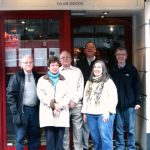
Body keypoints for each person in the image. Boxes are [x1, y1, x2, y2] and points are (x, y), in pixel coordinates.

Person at [37, 56, 71, 150]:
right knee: (50, 142)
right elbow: (41, 96)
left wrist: (60, 106)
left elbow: (68, 95)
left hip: (61, 112)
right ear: (48, 67)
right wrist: (53, 105)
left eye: (56, 65)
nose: (55, 67)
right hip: (48, 114)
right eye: (52, 65)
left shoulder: (65, 80)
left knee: (60, 143)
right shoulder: (42, 80)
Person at [82, 60, 118, 150]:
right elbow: (85, 98)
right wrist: (84, 113)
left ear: (103, 69)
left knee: (106, 139)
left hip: (104, 114)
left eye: (99, 67)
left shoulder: (108, 82)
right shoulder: (89, 82)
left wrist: (108, 112)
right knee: (96, 140)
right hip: (91, 114)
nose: (96, 69)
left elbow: (114, 98)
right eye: (95, 67)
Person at [6, 55, 40, 150]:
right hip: (22, 111)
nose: (28, 64)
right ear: (21, 64)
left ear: (33, 63)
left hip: (35, 110)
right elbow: (10, 95)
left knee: (34, 137)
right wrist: (15, 113)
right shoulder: (16, 76)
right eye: (26, 62)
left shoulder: (37, 76)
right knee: (20, 138)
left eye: (30, 62)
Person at [110, 47, 141, 150]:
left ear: (126, 56)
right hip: (116, 105)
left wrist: (137, 101)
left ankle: (131, 147)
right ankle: (120, 147)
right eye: (119, 54)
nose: (121, 56)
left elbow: (137, 86)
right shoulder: (112, 70)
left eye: (123, 54)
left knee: (130, 129)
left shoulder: (132, 70)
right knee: (118, 128)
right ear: (116, 56)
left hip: (130, 105)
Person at [59, 51, 84, 150]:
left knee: (78, 131)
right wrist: (63, 103)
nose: (65, 59)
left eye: (67, 57)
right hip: (63, 107)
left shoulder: (77, 71)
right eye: (63, 57)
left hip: (76, 105)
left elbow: (81, 87)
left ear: (71, 59)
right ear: (60, 60)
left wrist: (74, 101)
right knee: (64, 132)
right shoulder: (57, 72)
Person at [76, 41, 97, 150]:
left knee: (96, 126)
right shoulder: (79, 64)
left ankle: (96, 146)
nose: (90, 49)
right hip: (83, 99)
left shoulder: (100, 63)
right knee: (85, 125)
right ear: (84, 50)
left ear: (95, 50)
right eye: (87, 47)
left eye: (92, 47)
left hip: (97, 100)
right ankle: (85, 147)